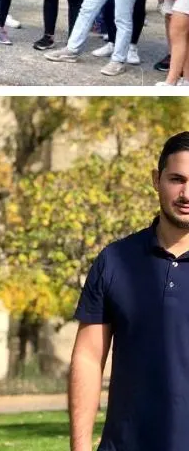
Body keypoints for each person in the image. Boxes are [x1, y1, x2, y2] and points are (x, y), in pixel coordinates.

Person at [69, 131, 189, 451]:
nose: (186, 193)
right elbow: (88, 357)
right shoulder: (115, 260)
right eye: (177, 179)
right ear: (156, 180)